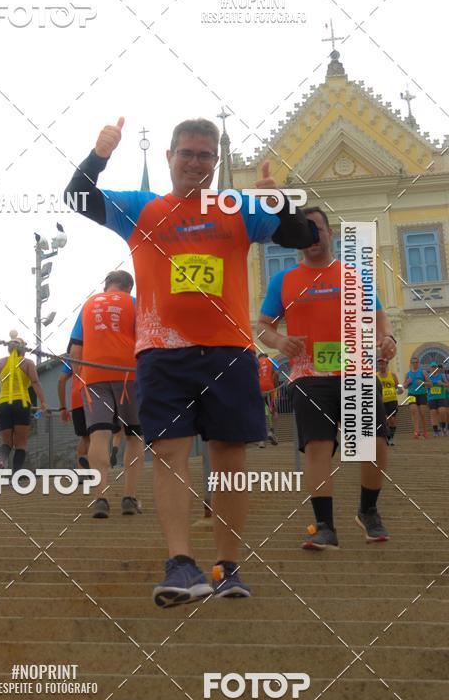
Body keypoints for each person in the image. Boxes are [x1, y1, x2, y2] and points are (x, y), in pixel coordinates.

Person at [64, 116, 318, 605]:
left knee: (228, 460)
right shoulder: (142, 208)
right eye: (187, 153)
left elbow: (302, 235)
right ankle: (180, 563)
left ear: (215, 162)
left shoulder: (237, 206)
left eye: (205, 155)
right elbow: (77, 196)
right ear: (170, 158)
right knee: (169, 455)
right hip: (163, 353)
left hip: (230, 350)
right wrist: (100, 153)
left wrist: (280, 199)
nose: (195, 163)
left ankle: (227, 566)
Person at [257, 207, 396, 550]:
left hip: (357, 369)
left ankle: (368, 510)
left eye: (316, 229)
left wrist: (388, 339)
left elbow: (379, 317)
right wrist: (279, 341)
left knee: (373, 446)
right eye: (304, 230)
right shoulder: (284, 280)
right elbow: (263, 326)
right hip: (309, 374)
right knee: (318, 447)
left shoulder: (354, 275)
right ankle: (325, 525)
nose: (311, 236)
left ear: (330, 233)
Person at [68, 270, 145, 518]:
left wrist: (80, 381)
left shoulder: (89, 304)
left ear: (106, 287)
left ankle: (100, 498)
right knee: (134, 436)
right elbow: (146, 340)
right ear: (128, 288)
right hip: (128, 373)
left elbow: (75, 350)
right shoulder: (135, 304)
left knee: (99, 435)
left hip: (94, 374)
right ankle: (130, 498)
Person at [0, 331, 48, 475]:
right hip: (22, 404)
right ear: (23, 350)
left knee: (6, 442)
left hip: (3, 405)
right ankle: (16, 475)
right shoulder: (28, 363)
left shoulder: (0, 363)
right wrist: (43, 402)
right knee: (21, 444)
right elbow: (36, 382)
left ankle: (1, 462)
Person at [57, 351, 90, 473]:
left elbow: (61, 381)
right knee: (98, 434)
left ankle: (82, 472)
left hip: (77, 399)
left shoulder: (71, 357)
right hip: (94, 396)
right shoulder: (96, 349)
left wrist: (63, 407)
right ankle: (96, 469)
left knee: (85, 436)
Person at [403, 357, 429, 439]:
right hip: (411, 394)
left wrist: (423, 383)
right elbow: (404, 386)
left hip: (422, 394)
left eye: (416, 362)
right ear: (411, 363)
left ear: (419, 363)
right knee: (414, 412)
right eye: (413, 362)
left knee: (422, 413)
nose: (415, 364)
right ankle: (416, 432)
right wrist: (407, 382)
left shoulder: (423, 372)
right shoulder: (407, 374)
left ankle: (425, 431)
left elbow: (431, 384)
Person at [257, 352, 279, 447]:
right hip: (270, 389)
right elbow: (277, 374)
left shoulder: (255, 362)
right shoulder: (272, 361)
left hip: (258, 390)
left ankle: (261, 440)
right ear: (266, 356)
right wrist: (275, 385)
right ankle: (272, 432)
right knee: (273, 411)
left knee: (260, 413)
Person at [376, 357, 399, 446]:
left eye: (383, 364)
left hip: (392, 400)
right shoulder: (375, 376)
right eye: (380, 364)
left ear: (386, 364)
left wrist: (400, 389)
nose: (381, 366)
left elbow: (398, 386)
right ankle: (387, 438)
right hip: (381, 401)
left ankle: (391, 437)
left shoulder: (392, 375)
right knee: (384, 419)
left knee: (392, 420)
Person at [425, 362, 448, 436]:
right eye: (432, 367)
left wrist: (442, 384)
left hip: (441, 397)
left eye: (435, 367)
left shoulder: (442, 376)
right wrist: (429, 385)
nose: (434, 368)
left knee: (442, 411)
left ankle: (443, 427)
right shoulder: (428, 376)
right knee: (433, 413)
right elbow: (424, 386)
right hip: (431, 398)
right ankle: (435, 431)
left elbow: (447, 385)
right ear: (430, 368)